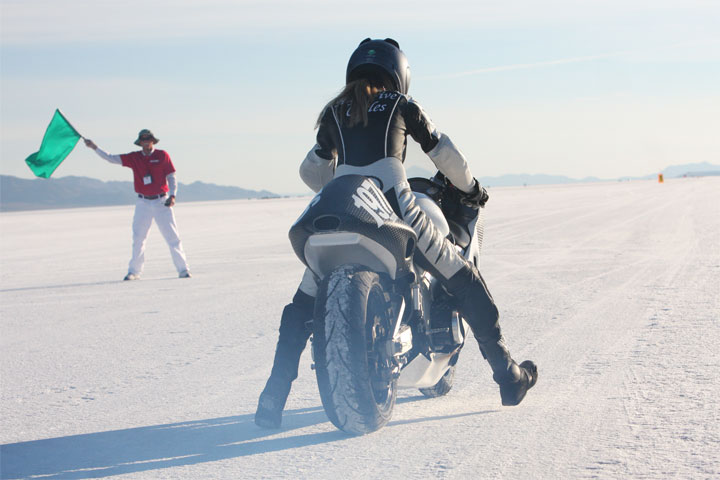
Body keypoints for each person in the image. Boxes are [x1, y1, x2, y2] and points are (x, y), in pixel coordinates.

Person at [255, 38, 537, 429]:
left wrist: (339, 180)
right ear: (399, 74)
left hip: (344, 209)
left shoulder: (335, 111)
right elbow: (444, 153)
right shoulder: (402, 106)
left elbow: (310, 171)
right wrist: (472, 189)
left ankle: (272, 397)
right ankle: (509, 377)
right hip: (396, 209)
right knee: (464, 278)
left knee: (302, 305)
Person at [84, 129, 191, 281]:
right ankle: (134, 271)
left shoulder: (162, 155)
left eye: (149, 139)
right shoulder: (134, 157)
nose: (146, 142)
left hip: (162, 201)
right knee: (139, 238)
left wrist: (173, 195)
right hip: (143, 202)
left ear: (153, 141)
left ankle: (183, 269)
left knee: (173, 237)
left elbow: (171, 176)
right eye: (143, 140)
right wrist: (94, 147)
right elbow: (110, 158)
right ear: (139, 142)